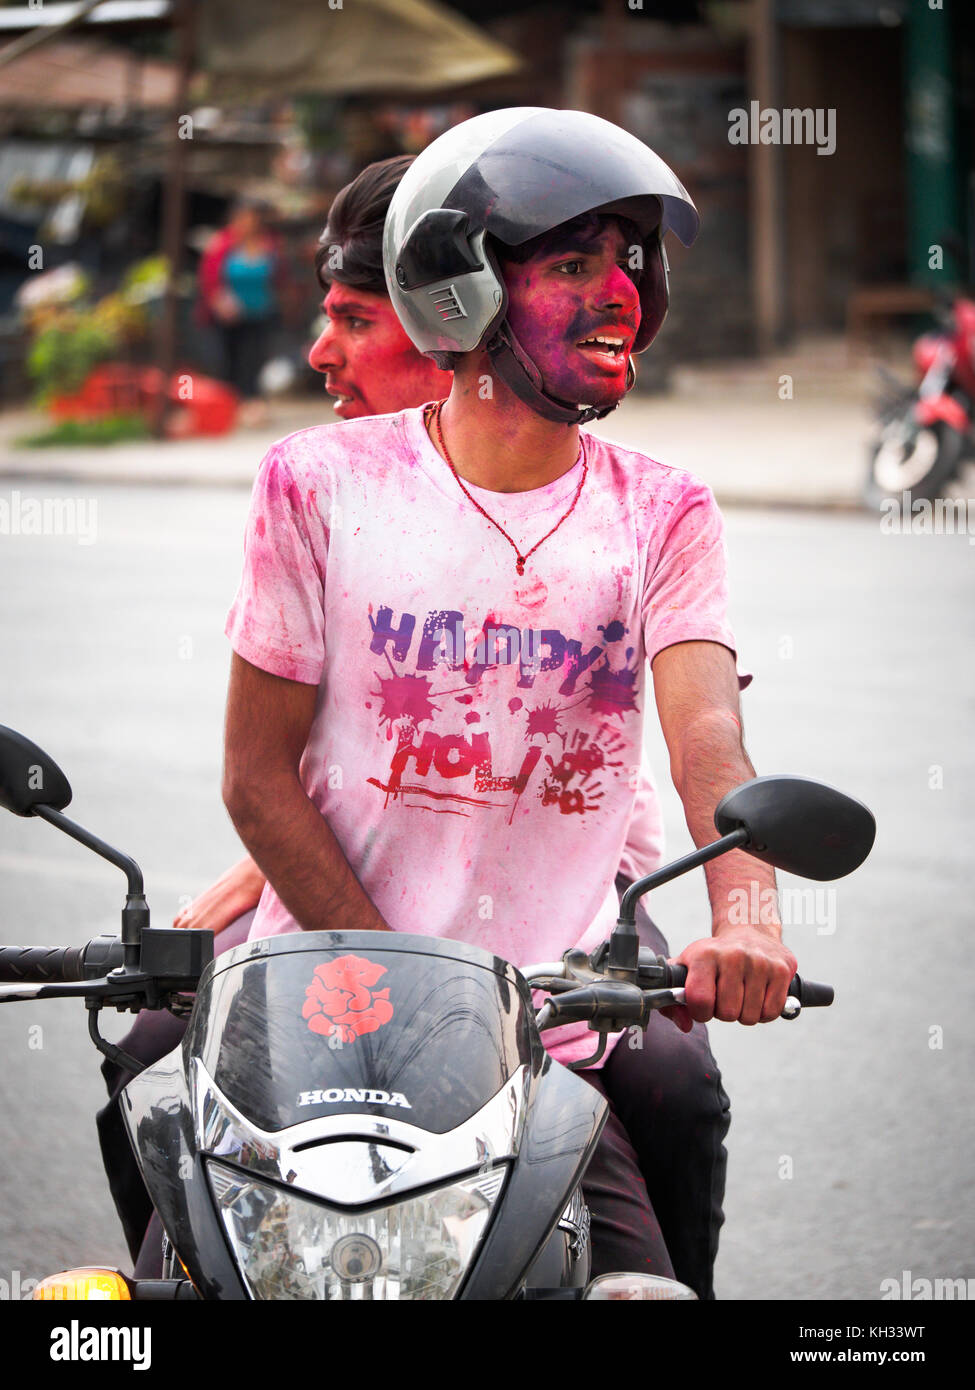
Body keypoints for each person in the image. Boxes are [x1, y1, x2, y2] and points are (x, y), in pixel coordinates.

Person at [222, 110, 795, 1291]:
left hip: (547, 1037)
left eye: (634, 264)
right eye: (576, 263)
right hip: (320, 1010)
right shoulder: (317, 483)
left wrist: (751, 920)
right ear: (458, 291)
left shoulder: (664, 512)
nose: (621, 296)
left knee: (643, 1282)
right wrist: (397, 991)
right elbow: (255, 776)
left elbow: (706, 737)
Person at [197, 195, 283, 427]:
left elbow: (280, 277)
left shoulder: (270, 244)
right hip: (228, 317)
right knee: (228, 362)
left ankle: (253, 406)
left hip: (261, 313)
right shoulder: (221, 243)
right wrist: (219, 301)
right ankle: (227, 408)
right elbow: (208, 278)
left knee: (254, 361)